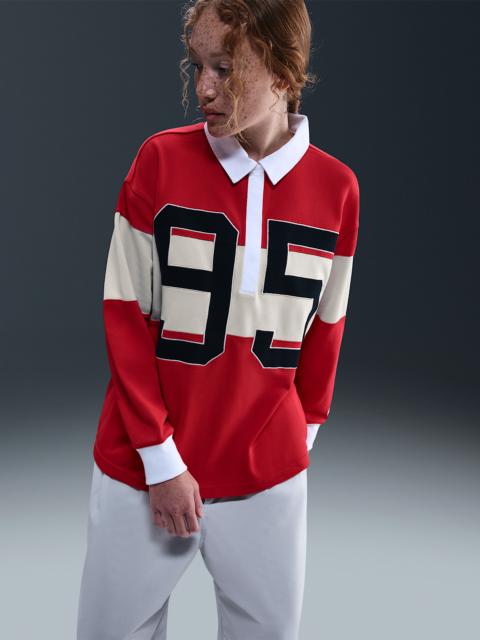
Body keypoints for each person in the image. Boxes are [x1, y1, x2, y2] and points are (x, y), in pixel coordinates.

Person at [76, 1, 360, 638]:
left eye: (225, 69)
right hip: (143, 467)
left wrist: (297, 439)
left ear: (283, 71)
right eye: (198, 65)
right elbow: (124, 316)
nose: (204, 87)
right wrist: (161, 462)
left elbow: (327, 327)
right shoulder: (159, 161)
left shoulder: (338, 189)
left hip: (266, 474)